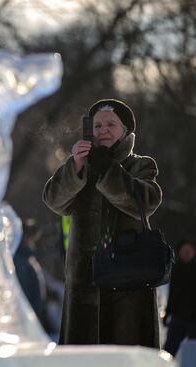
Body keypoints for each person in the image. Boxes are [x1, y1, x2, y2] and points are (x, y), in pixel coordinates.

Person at [42, 98, 162, 347]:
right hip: (83, 285)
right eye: (96, 125)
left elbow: (148, 200)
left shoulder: (140, 164)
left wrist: (107, 170)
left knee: (125, 356)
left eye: (111, 124)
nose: (103, 130)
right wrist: (75, 167)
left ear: (126, 131)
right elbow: (54, 201)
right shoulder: (80, 166)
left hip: (128, 285)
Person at [163, 240, 196, 356]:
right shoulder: (176, 270)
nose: (186, 253)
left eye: (189, 251)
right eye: (184, 251)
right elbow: (172, 295)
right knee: (168, 351)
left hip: (194, 319)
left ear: (193, 252)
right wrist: (167, 313)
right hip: (178, 318)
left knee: (192, 352)